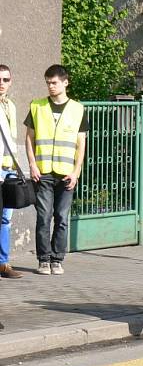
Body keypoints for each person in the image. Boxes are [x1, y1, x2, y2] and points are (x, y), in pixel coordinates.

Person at [25, 65, 88, 275]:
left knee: (61, 217)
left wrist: (76, 171)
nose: (50, 86)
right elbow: (29, 138)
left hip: (66, 173)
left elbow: (81, 144)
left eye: (54, 82)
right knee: (44, 217)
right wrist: (32, 164)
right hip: (43, 172)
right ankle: (43, 259)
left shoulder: (78, 109)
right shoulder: (37, 106)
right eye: (48, 83)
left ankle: (57, 259)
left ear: (65, 82)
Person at [0, 65, 22, 278]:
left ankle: (3, 263)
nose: (2, 83)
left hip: (9, 170)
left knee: (6, 218)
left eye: (5, 79)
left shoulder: (11, 106)